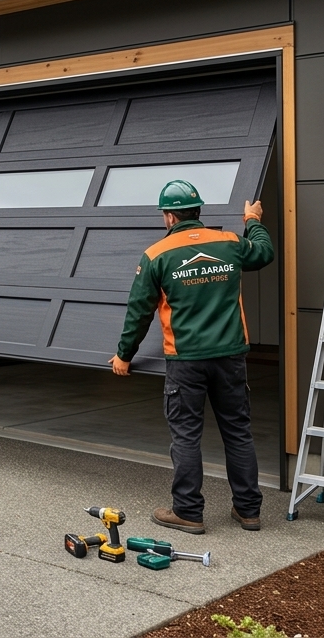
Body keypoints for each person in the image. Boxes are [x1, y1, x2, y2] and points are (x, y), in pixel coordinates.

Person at [110, 179, 274, 536]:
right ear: (198, 211)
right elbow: (264, 252)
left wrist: (124, 355)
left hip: (185, 362)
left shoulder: (156, 255)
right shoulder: (230, 243)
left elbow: (139, 312)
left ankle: (188, 512)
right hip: (231, 357)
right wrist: (252, 219)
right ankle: (248, 511)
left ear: (169, 216)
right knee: (238, 432)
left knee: (186, 435)